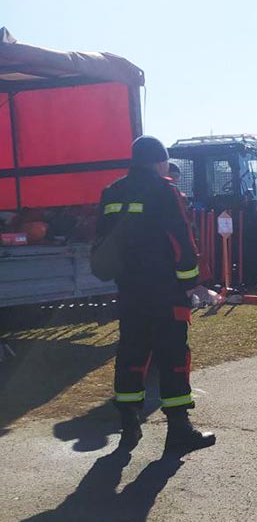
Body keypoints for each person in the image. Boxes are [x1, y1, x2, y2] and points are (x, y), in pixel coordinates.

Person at [96, 135, 218, 455]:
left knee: (131, 354)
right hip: (165, 292)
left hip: (129, 292)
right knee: (174, 357)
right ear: (159, 160)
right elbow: (181, 240)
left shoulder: (111, 192)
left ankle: (129, 423)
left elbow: (103, 242)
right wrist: (192, 282)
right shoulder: (166, 191)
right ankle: (179, 431)